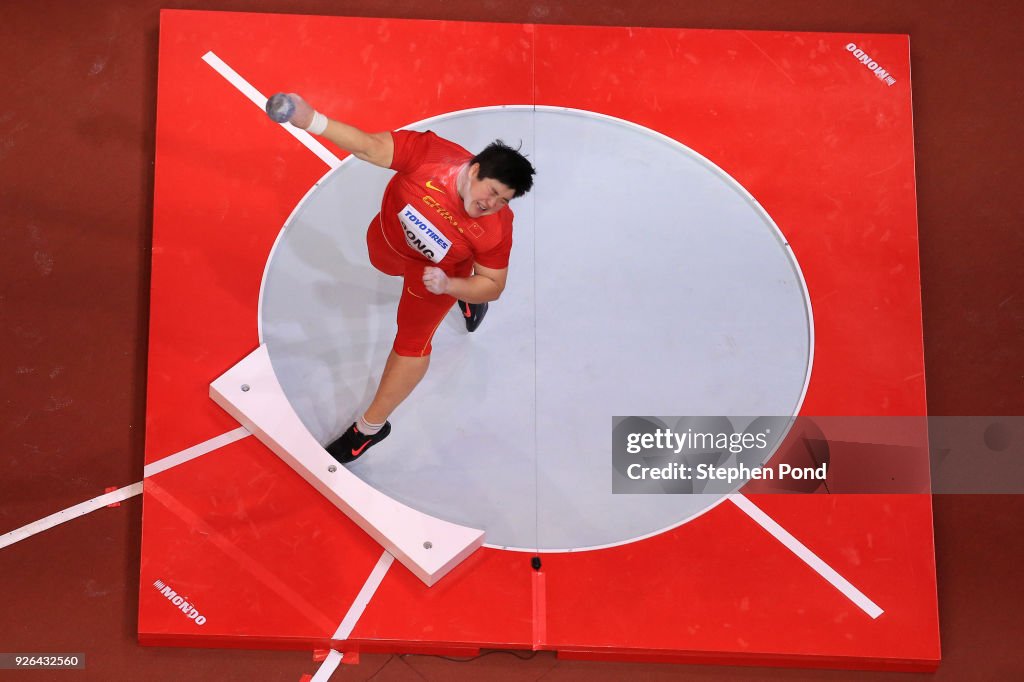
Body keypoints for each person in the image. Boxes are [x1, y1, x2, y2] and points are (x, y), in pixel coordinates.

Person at [266, 93, 536, 465]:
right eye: (492, 192)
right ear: (474, 170)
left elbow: (494, 284)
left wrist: (451, 286)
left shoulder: (496, 229)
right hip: (388, 245)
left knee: (412, 343)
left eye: (504, 201)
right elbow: (369, 146)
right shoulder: (429, 155)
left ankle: (370, 428)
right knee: (380, 262)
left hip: (435, 279)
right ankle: (463, 295)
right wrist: (313, 121)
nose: (492, 205)